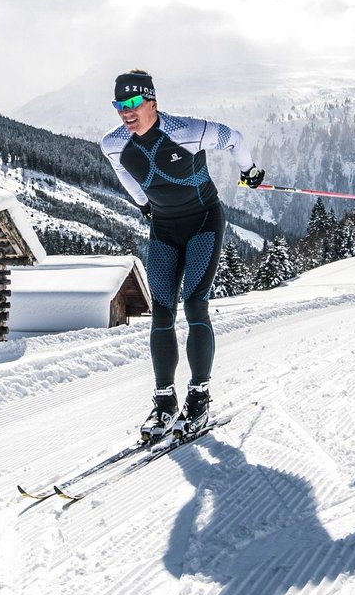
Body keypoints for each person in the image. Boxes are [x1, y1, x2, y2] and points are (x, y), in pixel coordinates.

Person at [99, 69, 266, 442]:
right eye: (119, 104)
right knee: (160, 310)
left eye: (133, 102)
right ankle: (164, 403)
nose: (126, 111)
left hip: (203, 221)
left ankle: (199, 397)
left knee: (194, 305)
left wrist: (248, 170)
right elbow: (121, 172)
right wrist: (144, 204)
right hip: (163, 228)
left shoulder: (188, 131)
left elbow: (235, 139)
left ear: (152, 101)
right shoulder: (113, 143)